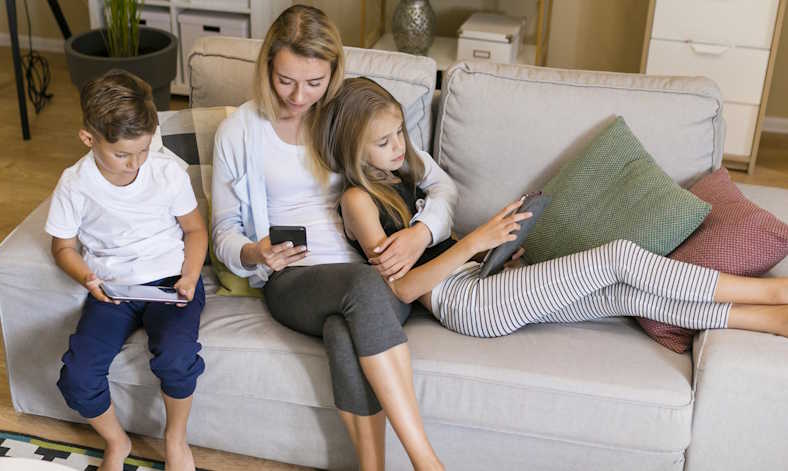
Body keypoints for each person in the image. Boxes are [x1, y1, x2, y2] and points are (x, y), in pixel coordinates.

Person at [319, 77, 788, 342]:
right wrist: (477, 241)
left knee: (620, 293)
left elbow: (439, 211)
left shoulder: (402, 171)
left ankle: (769, 319)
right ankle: (768, 294)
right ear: (353, 149)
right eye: (384, 142)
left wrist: (491, 255)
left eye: (400, 132)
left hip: (481, 281)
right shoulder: (358, 201)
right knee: (618, 257)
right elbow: (402, 290)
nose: (400, 146)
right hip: (464, 305)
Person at [210, 6, 454, 470]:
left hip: (372, 276)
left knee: (344, 331)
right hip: (294, 281)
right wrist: (252, 252)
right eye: (286, 81)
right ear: (267, 68)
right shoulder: (239, 133)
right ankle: (426, 462)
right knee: (362, 290)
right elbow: (224, 231)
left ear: (334, 73)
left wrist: (421, 234)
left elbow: (440, 185)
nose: (299, 96)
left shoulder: (349, 116)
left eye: (314, 82)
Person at [46, 69, 208, 471]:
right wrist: (86, 277)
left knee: (176, 355)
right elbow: (63, 246)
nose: (136, 163)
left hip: (172, 281)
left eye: (144, 149)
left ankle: (175, 441)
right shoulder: (75, 183)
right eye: (122, 154)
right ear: (89, 138)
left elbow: (194, 229)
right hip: (112, 290)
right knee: (78, 376)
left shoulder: (166, 170)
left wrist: (189, 276)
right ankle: (117, 443)